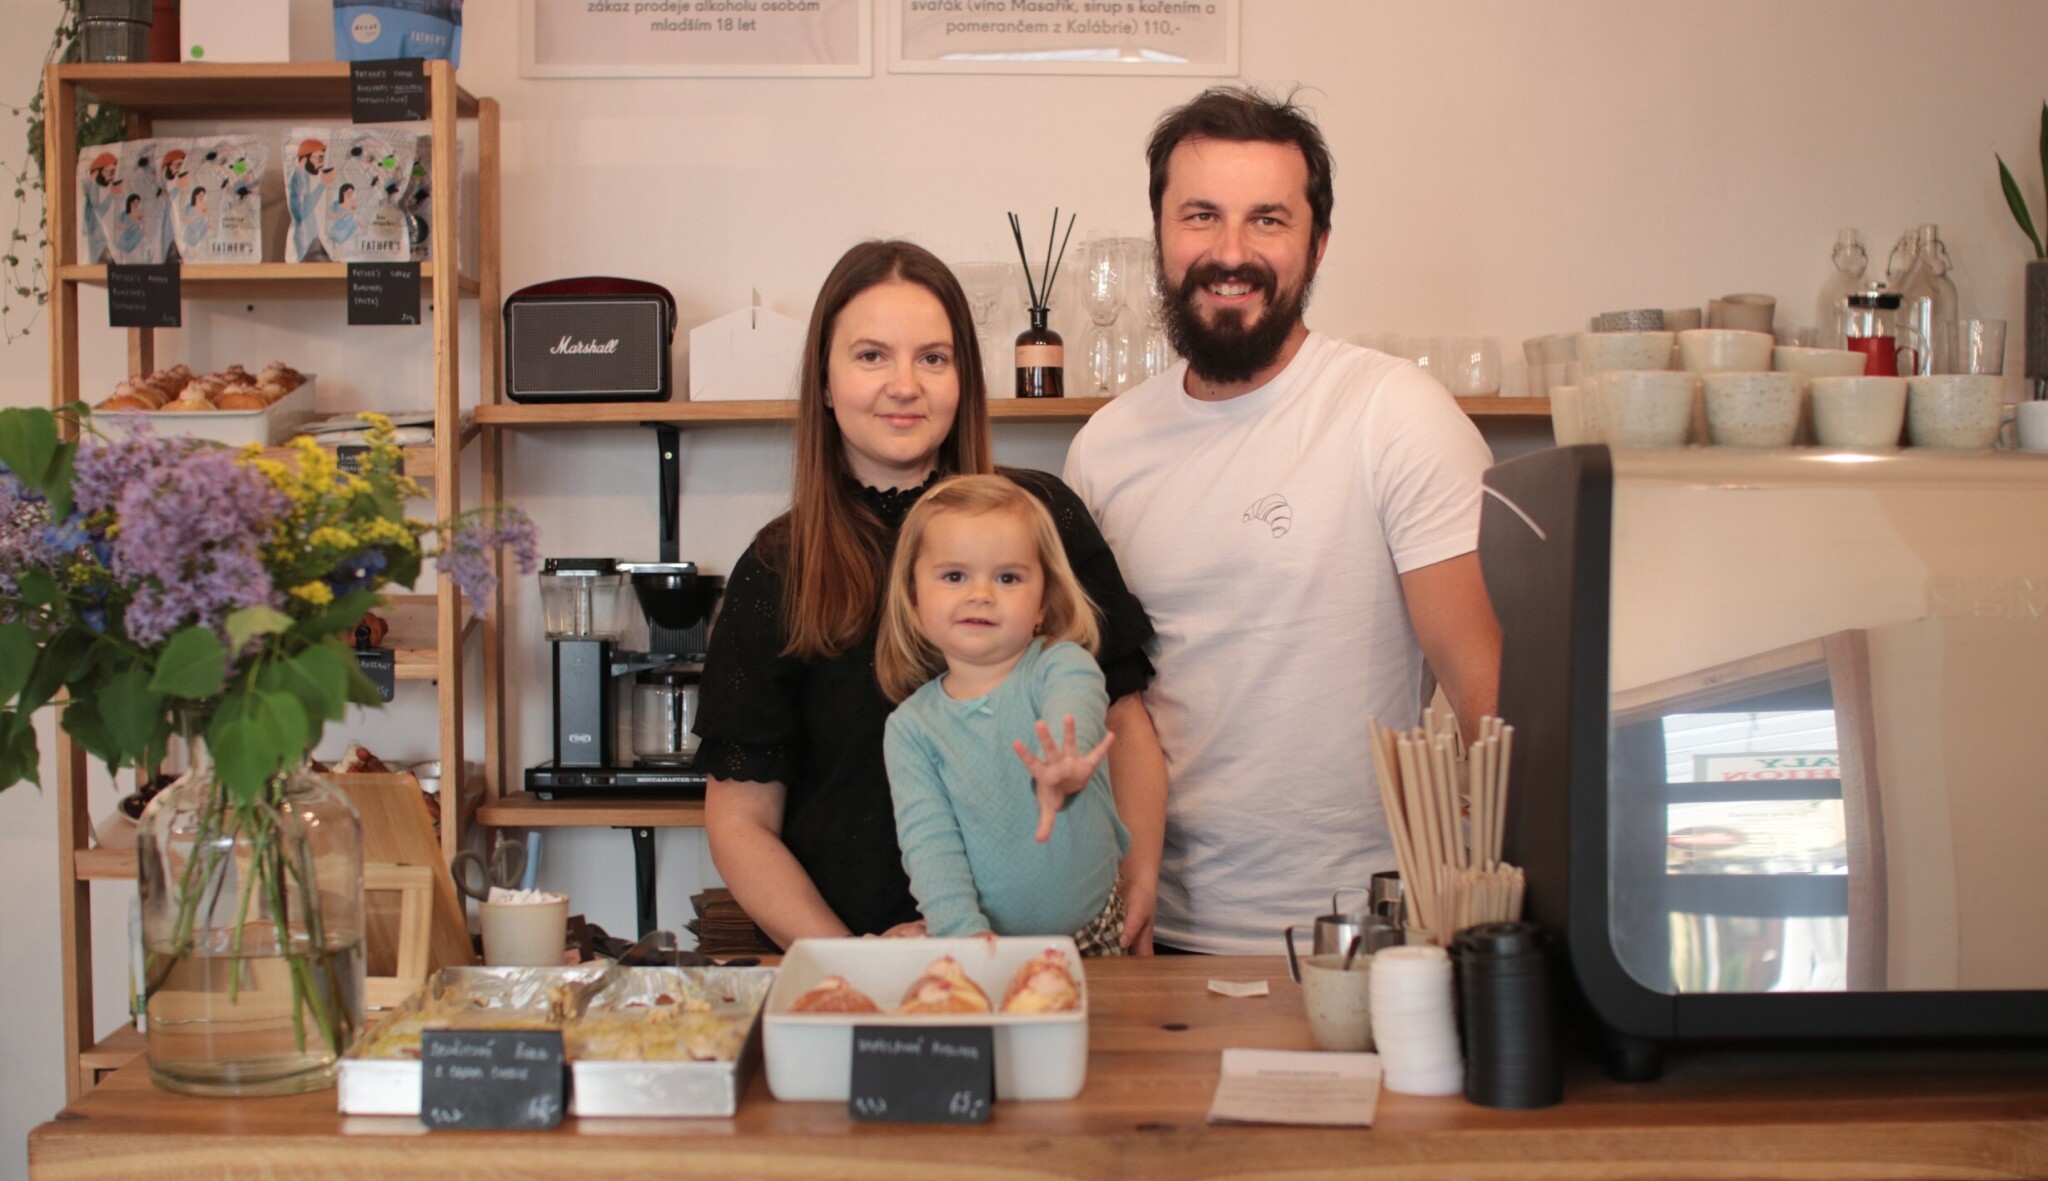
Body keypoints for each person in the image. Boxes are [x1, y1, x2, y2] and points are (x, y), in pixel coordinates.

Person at [1063, 86, 1502, 955]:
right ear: (1160, 234)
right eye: (1201, 216)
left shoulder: (1394, 412)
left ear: (1318, 243)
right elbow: (1097, 701)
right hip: (1155, 932)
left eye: (1268, 220)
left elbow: (1490, 698)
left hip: (1368, 937)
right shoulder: (1104, 449)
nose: (1231, 253)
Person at [695, 239, 1168, 952]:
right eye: (871, 355)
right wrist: (850, 960)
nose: (905, 384)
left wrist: (1138, 877)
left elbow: (1124, 724)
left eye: (933, 358)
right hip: (859, 971)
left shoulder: (1040, 519)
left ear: (964, 379)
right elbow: (740, 819)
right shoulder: (778, 568)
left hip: (1063, 959)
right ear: (824, 382)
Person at [876, 474, 1130, 954]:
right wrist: (963, 936)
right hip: (984, 946)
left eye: (1008, 578)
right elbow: (931, 849)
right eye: (954, 576)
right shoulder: (911, 729)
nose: (981, 594)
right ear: (913, 602)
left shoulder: (1060, 663)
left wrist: (1061, 769)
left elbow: (1075, 707)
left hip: (1093, 937)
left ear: (1043, 603)